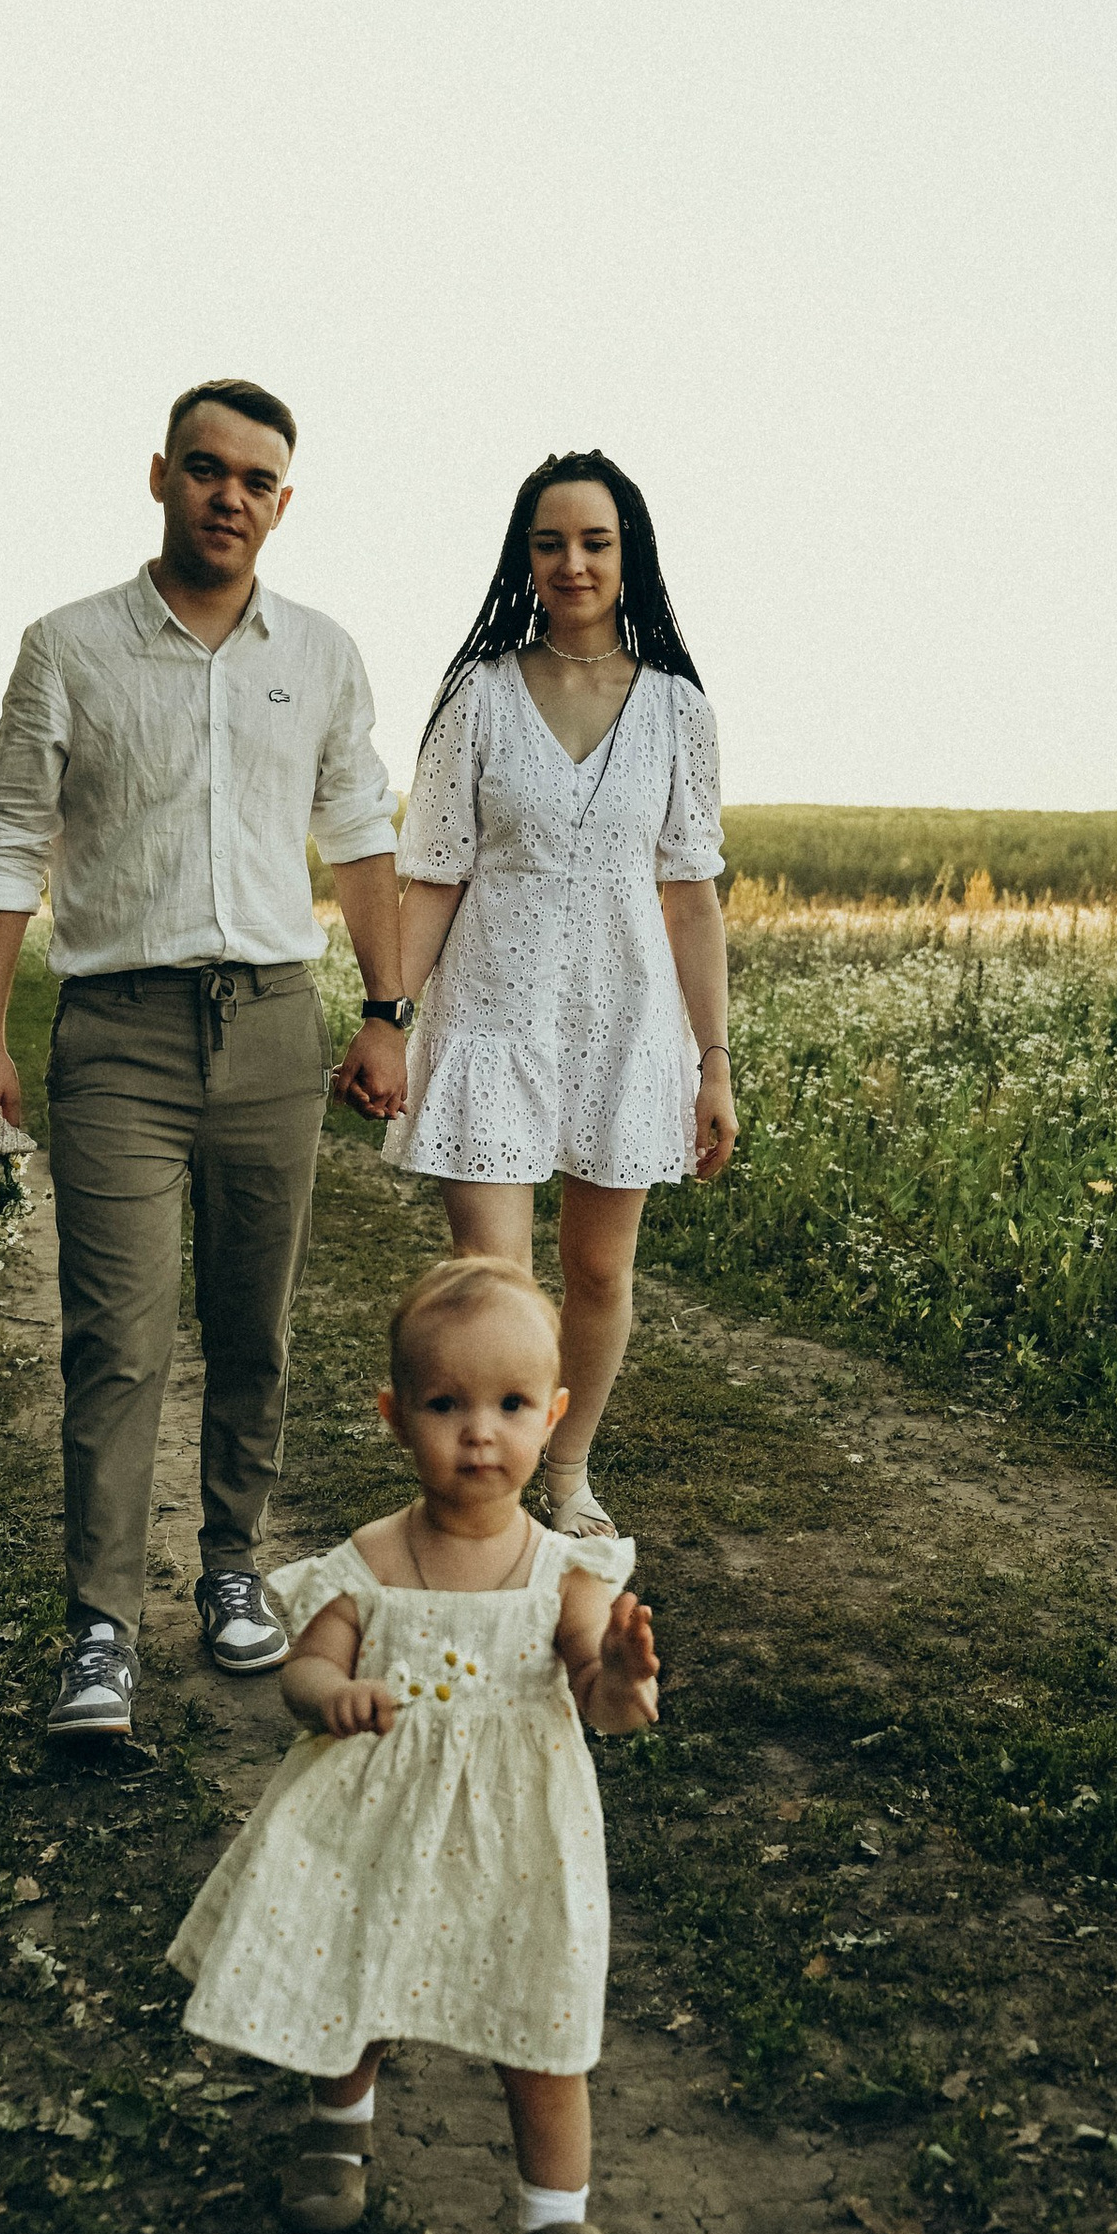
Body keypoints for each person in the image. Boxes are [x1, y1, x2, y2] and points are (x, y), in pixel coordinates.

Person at [0, 379, 415, 1743]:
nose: (229, 495)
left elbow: (360, 837)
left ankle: (230, 1566)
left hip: (274, 1025)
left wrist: (387, 1010)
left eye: (256, 479)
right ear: (160, 475)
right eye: (206, 469)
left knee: (252, 1323)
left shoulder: (322, 655)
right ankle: (100, 1628)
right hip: (120, 1035)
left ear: (284, 501)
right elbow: (7, 840)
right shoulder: (70, 646)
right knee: (118, 1332)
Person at [165, 1255, 661, 2234]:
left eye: (511, 1406)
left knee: (540, 2030)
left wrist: (621, 1679)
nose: (479, 1433)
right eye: (446, 1405)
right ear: (396, 1417)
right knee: (360, 1981)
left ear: (554, 1416)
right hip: (381, 1823)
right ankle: (338, 2129)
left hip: (519, 1839)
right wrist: (331, 1694)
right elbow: (303, 1666)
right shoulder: (370, 1562)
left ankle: (558, 2227)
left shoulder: (563, 1576)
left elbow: (598, 1696)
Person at [382, 453, 734, 1539]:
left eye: (593, 542)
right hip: (492, 1021)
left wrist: (714, 1062)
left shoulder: (679, 710)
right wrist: (388, 1020)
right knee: (493, 1286)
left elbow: (690, 895)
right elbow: (432, 874)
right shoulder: (477, 698)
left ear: (629, 555)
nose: (571, 563)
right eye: (549, 543)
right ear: (523, 558)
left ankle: (565, 1472)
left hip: (629, 1029)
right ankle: (481, 1505)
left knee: (596, 1270)